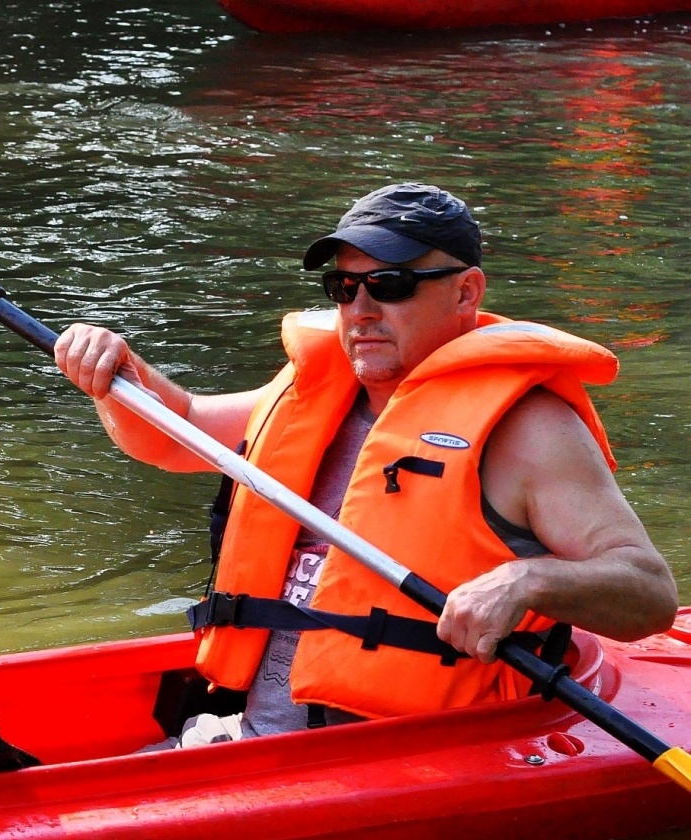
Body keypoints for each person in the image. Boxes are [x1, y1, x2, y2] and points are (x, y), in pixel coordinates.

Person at [54, 183, 676, 742]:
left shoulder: (527, 431)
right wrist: (120, 376)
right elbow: (174, 431)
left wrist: (529, 581)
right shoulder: (310, 395)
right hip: (252, 739)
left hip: (412, 758)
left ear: (467, 292)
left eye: (391, 285)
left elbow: (647, 592)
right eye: (344, 288)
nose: (361, 309)